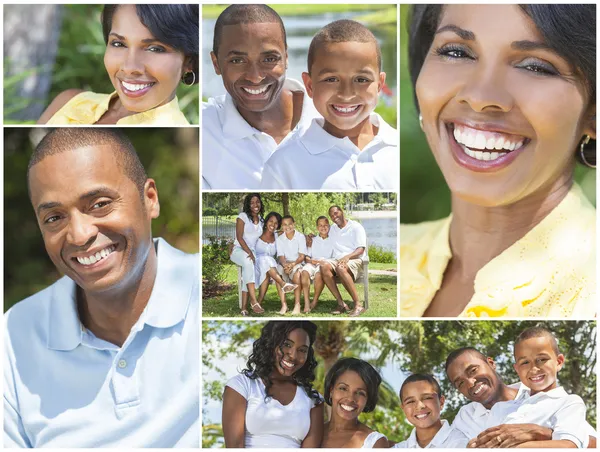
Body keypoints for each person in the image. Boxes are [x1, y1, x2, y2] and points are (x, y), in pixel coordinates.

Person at [4, 128, 199, 447]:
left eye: (99, 204)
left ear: (149, 199)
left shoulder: (212, 298)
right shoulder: (14, 337)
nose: (79, 235)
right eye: (54, 218)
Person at [400, 4, 596, 317]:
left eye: (535, 67)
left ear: (593, 113)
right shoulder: (391, 254)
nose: (480, 96)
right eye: (456, 52)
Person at [261, 20, 398, 190]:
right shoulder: (283, 165)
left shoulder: (399, 149)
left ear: (379, 84)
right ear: (310, 86)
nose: (346, 94)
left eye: (361, 79)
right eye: (331, 79)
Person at [202, 4, 320, 189]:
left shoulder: (331, 117)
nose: (255, 77)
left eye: (269, 59)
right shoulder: (205, 130)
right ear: (216, 63)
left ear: (286, 58)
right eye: (237, 60)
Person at [38, 5, 198, 125]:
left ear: (188, 61)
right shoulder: (69, 101)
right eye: (119, 44)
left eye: (155, 48)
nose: (129, 67)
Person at [445, 347, 596, 448]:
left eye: (472, 370)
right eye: (460, 383)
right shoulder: (465, 417)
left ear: (491, 363)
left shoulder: (547, 397)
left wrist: (541, 433)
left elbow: (594, 444)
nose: (470, 383)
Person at [481, 327, 589, 448]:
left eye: (542, 359)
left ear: (559, 362)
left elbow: (569, 446)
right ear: (517, 369)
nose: (533, 369)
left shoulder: (569, 403)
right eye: (525, 362)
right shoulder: (500, 409)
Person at [222, 321, 324, 448]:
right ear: (271, 344)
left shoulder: (314, 400)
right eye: (287, 345)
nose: (293, 355)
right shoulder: (241, 386)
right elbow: (235, 446)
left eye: (302, 350)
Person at [322, 358, 388, 448]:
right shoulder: (310, 433)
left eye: (360, 393)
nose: (350, 398)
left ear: (367, 399)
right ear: (331, 391)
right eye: (343, 388)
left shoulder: (373, 443)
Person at [395, 374, 468, 448]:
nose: (419, 406)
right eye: (410, 402)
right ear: (403, 409)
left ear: (441, 402)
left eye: (427, 398)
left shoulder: (463, 443)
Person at [321, 206, 367, 317]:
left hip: (355, 259)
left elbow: (361, 249)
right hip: (337, 260)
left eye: (336, 213)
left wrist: (347, 257)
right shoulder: (333, 229)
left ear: (342, 212)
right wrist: (309, 237)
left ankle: (358, 305)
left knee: (340, 268)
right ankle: (341, 304)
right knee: (324, 266)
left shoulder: (356, 227)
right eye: (332, 215)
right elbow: (322, 233)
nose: (334, 217)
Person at [254, 211, 297, 314]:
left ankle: (260, 303)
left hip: (270, 266)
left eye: (276, 223)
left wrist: (308, 237)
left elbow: (293, 234)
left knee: (271, 270)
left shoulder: (278, 236)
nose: (273, 225)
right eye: (271, 221)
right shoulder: (257, 234)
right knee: (266, 261)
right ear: (266, 221)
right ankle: (283, 284)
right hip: (256, 263)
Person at [231, 193, 265, 315]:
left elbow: (266, 236)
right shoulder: (243, 216)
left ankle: (244, 308)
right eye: (252, 202)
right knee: (248, 261)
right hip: (239, 250)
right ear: (248, 204)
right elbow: (239, 237)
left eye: (257, 202)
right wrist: (249, 253)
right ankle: (254, 301)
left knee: (248, 268)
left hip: (252, 252)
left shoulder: (261, 220)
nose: (255, 205)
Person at [301, 216, 334, 313]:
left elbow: (334, 258)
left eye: (325, 225)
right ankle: (307, 303)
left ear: (329, 226)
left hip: (324, 265)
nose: (323, 227)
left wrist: (321, 263)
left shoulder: (333, 240)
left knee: (319, 274)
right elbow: (307, 257)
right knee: (304, 272)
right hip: (312, 263)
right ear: (317, 227)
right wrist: (313, 261)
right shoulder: (313, 240)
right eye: (320, 225)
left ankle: (315, 300)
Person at [276, 215, 307, 315]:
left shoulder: (300, 237)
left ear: (294, 224)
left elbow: (302, 256)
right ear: (281, 226)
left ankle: (297, 304)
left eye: (290, 224)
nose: (287, 226)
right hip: (285, 263)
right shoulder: (280, 239)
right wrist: (285, 265)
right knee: (278, 275)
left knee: (297, 275)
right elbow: (281, 256)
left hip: (297, 262)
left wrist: (292, 265)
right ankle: (284, 305)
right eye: (284, 225)